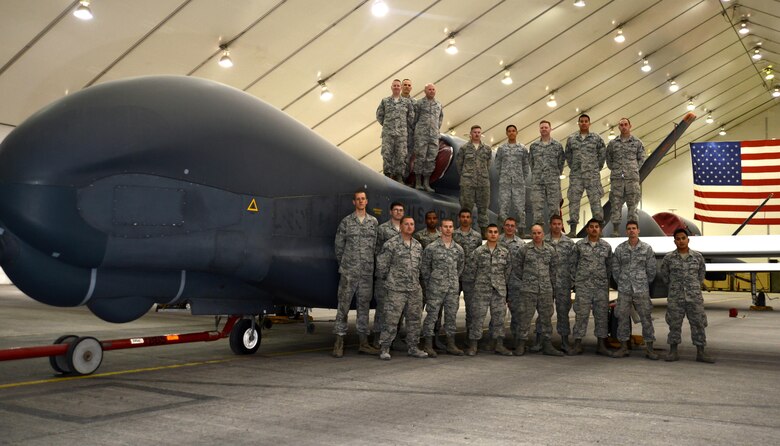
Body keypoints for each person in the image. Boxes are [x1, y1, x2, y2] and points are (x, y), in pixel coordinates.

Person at [333, 190, 379, 358]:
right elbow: (338, 247)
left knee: (364, 308)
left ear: (367, 202)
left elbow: (375, 248)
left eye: (363, 199)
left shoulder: (373, 222)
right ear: (354, 202)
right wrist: (345, 264)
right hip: (349, 273)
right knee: (343, 306)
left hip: (366, 273)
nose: (361, 201)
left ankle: (363, 343)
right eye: (358, 199)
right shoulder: (346, 222)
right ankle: (339, 342)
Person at [375, 216, 428, 360]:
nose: (409, 226)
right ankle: (385, 348)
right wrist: (391, 281)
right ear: (401, 226)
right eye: (406, 224)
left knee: (414, 320)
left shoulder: (417, 246)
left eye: (412, 224)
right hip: (395, 289)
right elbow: (381, 267)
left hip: (414, 290)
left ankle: (413, 347)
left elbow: (421, 267)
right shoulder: (391, 244)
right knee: (391, 319)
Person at [660, 228, 715, 363]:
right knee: (674, 324)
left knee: (698, 324)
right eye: (678, 239)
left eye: (683, 238)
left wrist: (693, 286)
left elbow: (701, 275)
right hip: (675, 297)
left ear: (688, 240)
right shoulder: (669, 258)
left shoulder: (697, 257)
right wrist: (675, 287)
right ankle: (673, 352)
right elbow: (665, 277)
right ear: (675, 241)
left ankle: (701, 352)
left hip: (694, 297)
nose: (681, 241)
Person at [513, 224, 563, 356]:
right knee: (524, 317)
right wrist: (527, 280)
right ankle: (521, 344)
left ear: (543, 233)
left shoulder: (550, 250)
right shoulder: (524, 250)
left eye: (539, 233)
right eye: (534, 233)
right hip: (528, 290)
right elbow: (517, 268)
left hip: (545, 290)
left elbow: (554, 269)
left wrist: (548, 284)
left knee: (546, 318)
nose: (536, 235)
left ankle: (547, 344)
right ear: (531, 234)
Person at [463, 224, 512, 356]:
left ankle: (499, 345)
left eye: (495, 232)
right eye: (490, 232)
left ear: (498, 234)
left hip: (498, 291)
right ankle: (473, 346)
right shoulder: (478, 252)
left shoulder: (504, 252)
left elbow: (508, 272)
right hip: (481, 290)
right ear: (486, 234)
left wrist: (502, 285)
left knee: (499, 319)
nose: (493, 234)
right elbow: (471, 272)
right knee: (477, 318)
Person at [612, 220, 658, 359]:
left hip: (641, 288)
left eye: (634, 228)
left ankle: (650, 348)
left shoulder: (646, 248)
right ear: (626, 232)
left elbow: (651, 269)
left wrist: (642, 281)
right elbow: (615, 269)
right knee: (622, 317)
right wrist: (622, 281)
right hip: (624, 288)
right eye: (629, 229)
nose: (632, 231)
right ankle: (624, 347)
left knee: (646, 318)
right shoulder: (620, 249)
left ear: (638, 231)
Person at [420, 218, 465, 356]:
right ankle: (428, 344)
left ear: (453, 228)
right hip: (435, 288)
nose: (448, 229)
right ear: (441, 228)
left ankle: (451, 344)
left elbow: (460, 268)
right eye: (445, 226)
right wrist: (432, 282)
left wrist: (451, 280)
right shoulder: (431, 248)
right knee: (432, 316)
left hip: (452, 289)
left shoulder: (458, 249)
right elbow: (425, 268)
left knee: (451, 317)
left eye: (450, 226)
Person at [571, 218, 613, 356]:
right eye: (591, 227)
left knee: (601, 316)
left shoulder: (606, 247)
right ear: (587, 229)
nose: (594, 229)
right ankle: (577, 344)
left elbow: (609, 267)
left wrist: (604, 282)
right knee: (581, 315)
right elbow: (573, 265)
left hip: (600, 288)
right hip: (583, 287)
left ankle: (601, 345)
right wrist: (577, 282)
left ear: (600, 229)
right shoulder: (579, 246)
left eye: (596, 227)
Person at [565, 114, 606, 237]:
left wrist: (595, 168)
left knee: (596, 203)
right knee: (574, 202)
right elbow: (568, 156)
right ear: (578, 123)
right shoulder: (572, 138)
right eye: (581, 121)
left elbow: (602, 154)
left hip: (592, 176)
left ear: (589, 123)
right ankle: (573, 230)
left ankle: (599, 230)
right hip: (576, 176)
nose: (583, 123)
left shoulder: (596, 138)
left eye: (586, 121)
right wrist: (575, 167)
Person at [371, 201, 405, 348]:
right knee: (382, 308)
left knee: (398, 309)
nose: (398, 212)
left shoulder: (406, 230)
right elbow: (377, 251)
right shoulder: (383, 229)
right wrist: (382, 272)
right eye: (396, 210)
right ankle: (377, 337)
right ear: (390, 212)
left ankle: (395, 337)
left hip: (401, 277)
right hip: (385, 277)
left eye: (401, 210)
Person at [605, 118, 645, 237]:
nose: (623, 127)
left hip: (632, 179)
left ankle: (632, 230)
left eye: (625, 124)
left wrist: (632, 169)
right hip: (617, 179)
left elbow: (642, 158)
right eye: (621, 125)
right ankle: (616, 230)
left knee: (632, 205)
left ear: (630, 126)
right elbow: (609, 159)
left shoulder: (637, 142)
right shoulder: (613, 143)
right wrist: (616, 169)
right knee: (616, 204)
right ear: (618, 127)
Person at [455, 125, 492, 235]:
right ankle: (465, 232)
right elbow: (459, 164)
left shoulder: (487, 149)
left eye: (479, 132)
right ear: (471, 134)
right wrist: (467, 175)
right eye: (474, 132)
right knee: (466, 208)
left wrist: (481, 174)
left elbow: (488, 164)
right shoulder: (464, 148)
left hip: (483, 183)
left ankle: (484, 232)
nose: (477, 134)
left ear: (481, 134)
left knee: (483, 208)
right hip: (467, 183)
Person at [376, 79, 415, 183]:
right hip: (388, 134)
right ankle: (387, 176)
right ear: (391, 87)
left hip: (402, 135)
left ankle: (399, 177)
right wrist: (388, 125)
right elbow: (379, 115)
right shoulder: (385, 101)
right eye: (395, 86)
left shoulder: (407, 102)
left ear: (400, 88)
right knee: (387, 155)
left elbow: (411, 117)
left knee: (401, 156)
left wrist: (402, 127)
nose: (397, 87)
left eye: (398, 86)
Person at [453, 209, 483, 340]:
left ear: (471, 219)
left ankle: (470, 338)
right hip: (454, 276)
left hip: (471, 277)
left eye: (468, 217)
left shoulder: (477, 237)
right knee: (451, 308)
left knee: (471, 309)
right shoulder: (453, 234)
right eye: (463, 217)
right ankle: (450, 338)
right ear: (459, 218)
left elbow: (478, 256)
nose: (465, 219)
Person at [529, 120, 565, 230]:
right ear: (539, 129)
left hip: (553, 181)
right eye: (542, 127)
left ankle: (555, 232)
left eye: (546, 127)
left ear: (550, 129)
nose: (544, 129)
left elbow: (561, 163)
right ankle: (538, 232)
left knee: (554, 208)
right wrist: (538, 173)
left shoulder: (557, 145)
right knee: (537, 208)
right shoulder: (534, 146)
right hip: (538, 182)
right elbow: (531, 162)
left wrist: (553, 174)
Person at [495, 125, 530, 236]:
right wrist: (503, 176)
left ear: (516, 132)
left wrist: (521, 178)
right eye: (509, 131)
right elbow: (497, 164)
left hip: (518, 183)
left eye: (513, 131)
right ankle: (502, 232)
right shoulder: (501, 149)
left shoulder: (522, 148)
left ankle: (521, 231)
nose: (511, 133)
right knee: (502, 208)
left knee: (520, 208)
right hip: (504, 183)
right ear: (506, 133)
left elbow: (526, 165)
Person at [412, 83, 444, 192]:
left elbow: (440, 119)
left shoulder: (438, 105)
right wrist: (418, 130)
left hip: (434, 136)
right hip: (421, 134)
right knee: (420, 157)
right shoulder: (419, 103)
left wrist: (435, 129)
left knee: (431, 158)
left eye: (433, 89)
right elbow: (414, 118)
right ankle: (418, 182)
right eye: (429, 89)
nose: (431, 91)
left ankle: (426, 183)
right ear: (425, 91)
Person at [401, 78, 415, 179]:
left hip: (410, 135)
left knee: (408, 157)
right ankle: (395, 178)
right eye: (405, 85)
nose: (407, 87)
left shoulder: (415, 103)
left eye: (409, 85)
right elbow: (381, 116)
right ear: (401, 86)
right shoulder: (394, 100)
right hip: (397, 134)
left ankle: (405, 179)